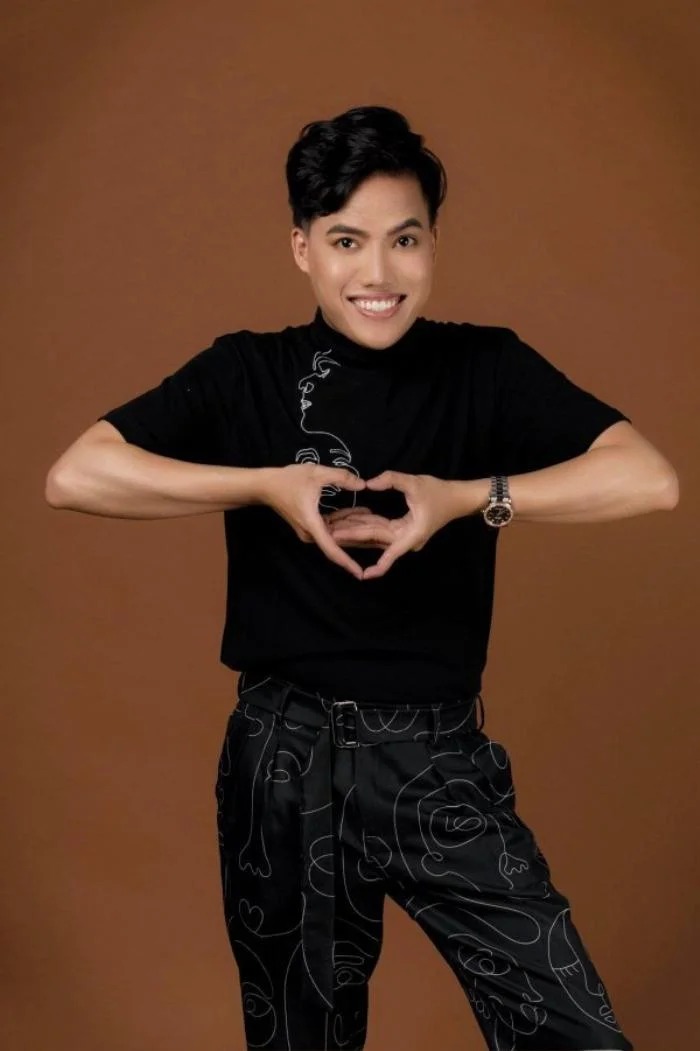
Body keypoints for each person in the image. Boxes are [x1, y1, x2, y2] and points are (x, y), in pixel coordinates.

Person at [46, 105, 678, 1051]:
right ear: (302, 247)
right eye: (347, 240)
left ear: (432, 245)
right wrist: (266, 484)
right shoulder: (249, 372)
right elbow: (76, 475)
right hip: (283, 759)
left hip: (436, 761)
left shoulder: (485, 368)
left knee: (575, 1033)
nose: (378, 273)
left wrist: (464, 499)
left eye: (404, 240)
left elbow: (649, 478)